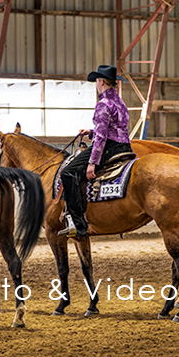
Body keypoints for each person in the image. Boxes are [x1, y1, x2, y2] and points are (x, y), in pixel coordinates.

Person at [58, 65, 132, 238]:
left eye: (97, 81)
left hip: (108, 148)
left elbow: (101, 138)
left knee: (68, 172)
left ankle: (77, 222)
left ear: (101, 82)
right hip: (124, 146)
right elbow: (114, 128)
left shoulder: (103, 104)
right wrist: (91, 132)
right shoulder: (120, 102)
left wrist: (93, 162)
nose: (96, 84)